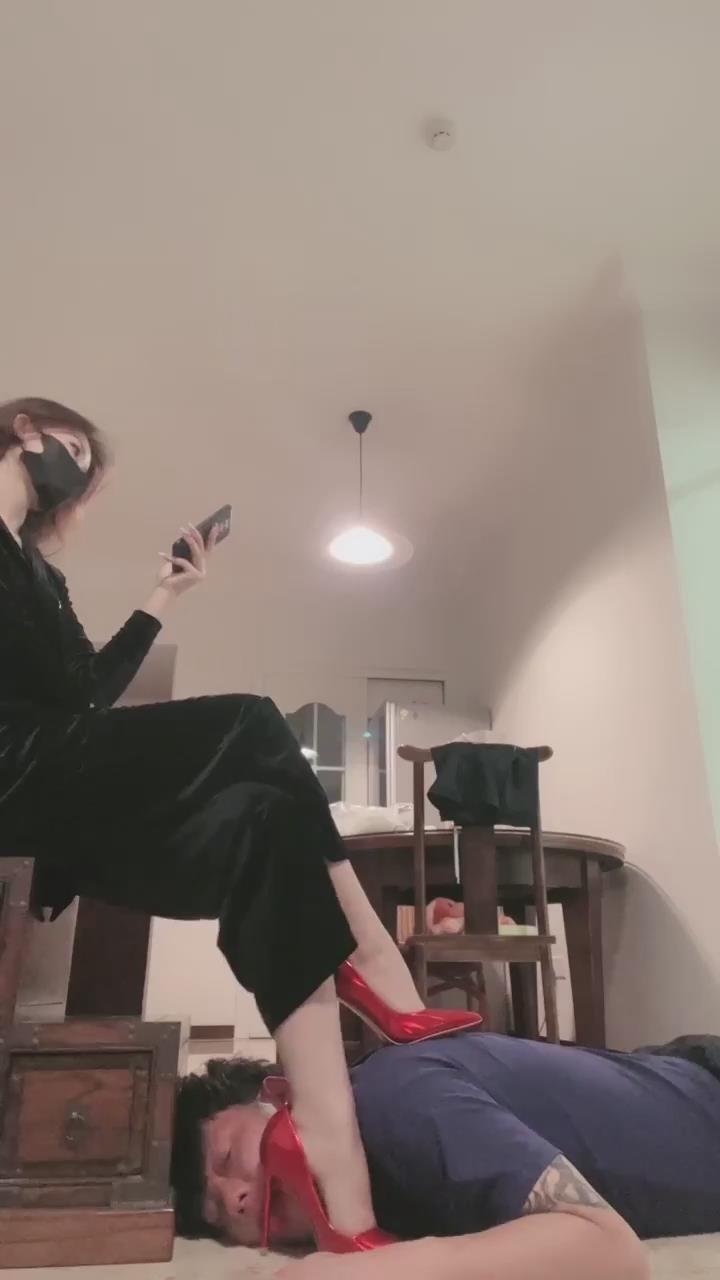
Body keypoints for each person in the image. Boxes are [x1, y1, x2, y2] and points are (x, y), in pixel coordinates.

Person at [0, 397, 482, 1255]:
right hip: (15, 782)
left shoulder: (41, 576)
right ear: (25, 431)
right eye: (73, 448)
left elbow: (85, 696)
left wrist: (165, 591)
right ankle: (375, 964)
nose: (79, 472)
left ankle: (337, 1175)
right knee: (255, 719)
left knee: (267, 820)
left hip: (66, 789)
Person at [172, 1031, 720, 1280]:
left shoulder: (390, 1101)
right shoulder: (370, 1201)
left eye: (228, 1156)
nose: (235, 1197)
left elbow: (609, 1252)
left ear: (279, 1094)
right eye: (218, 1213)